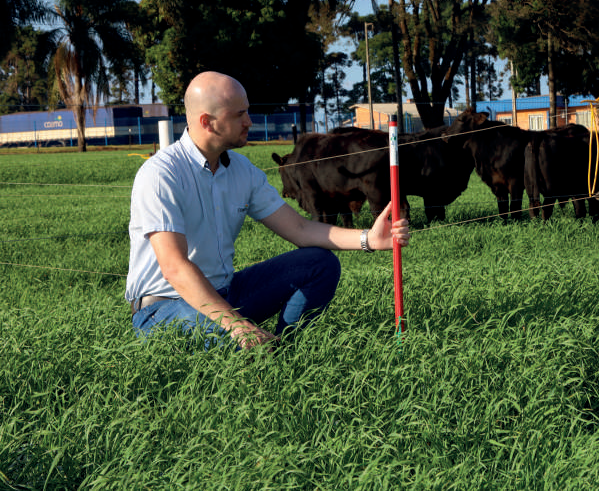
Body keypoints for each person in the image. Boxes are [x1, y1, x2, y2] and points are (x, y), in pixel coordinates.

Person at [125, 71, 410, 350]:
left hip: (227, 293)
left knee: (320, 264)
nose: (249, 121)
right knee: (225, 336)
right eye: (239, 115)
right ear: (207, 122)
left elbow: (299, 229)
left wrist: (368, 239)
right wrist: (237, 325)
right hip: (163, 309)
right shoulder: (161, 175)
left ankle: (283, 351)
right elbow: (175, 267)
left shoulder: (242, 170)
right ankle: (254, 345)